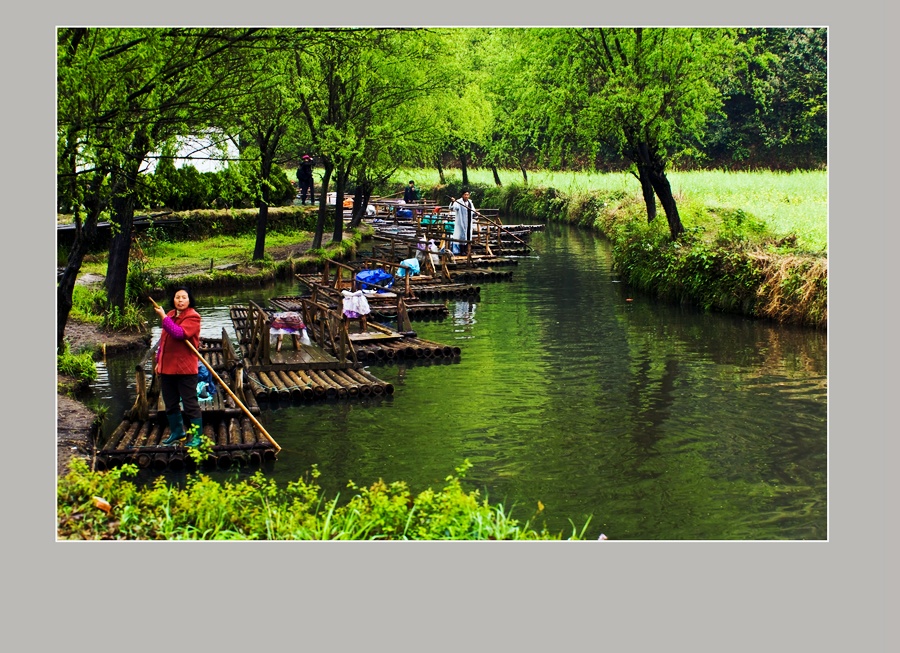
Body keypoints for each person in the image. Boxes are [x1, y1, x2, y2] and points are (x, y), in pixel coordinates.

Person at [153, 286, 203, 447]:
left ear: (189, 300)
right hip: (167, 367)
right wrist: (158, 360)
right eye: (177, 297)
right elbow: (164, 340)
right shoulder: (170, 315)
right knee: (170, 402)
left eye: (184, 297)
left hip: (185, 368)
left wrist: (163, 318)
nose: (180, 300)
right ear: (173, 299)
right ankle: (178, 432)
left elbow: (179, 334)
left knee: (190, 403)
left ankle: (197, 437)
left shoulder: (193, 317)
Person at [449, 190, 475, 255]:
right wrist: (452, 202)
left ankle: (467, 250)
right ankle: (462, 251)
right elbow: (453, 208)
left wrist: (476, 213)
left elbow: (473, 211)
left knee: (468, 236)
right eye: (465, 195)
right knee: (461, 236)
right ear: (462, 195)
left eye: (467, 195)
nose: (466, 196)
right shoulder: (458, 202)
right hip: (461, 222)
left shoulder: (470, 202)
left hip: (468, 221)